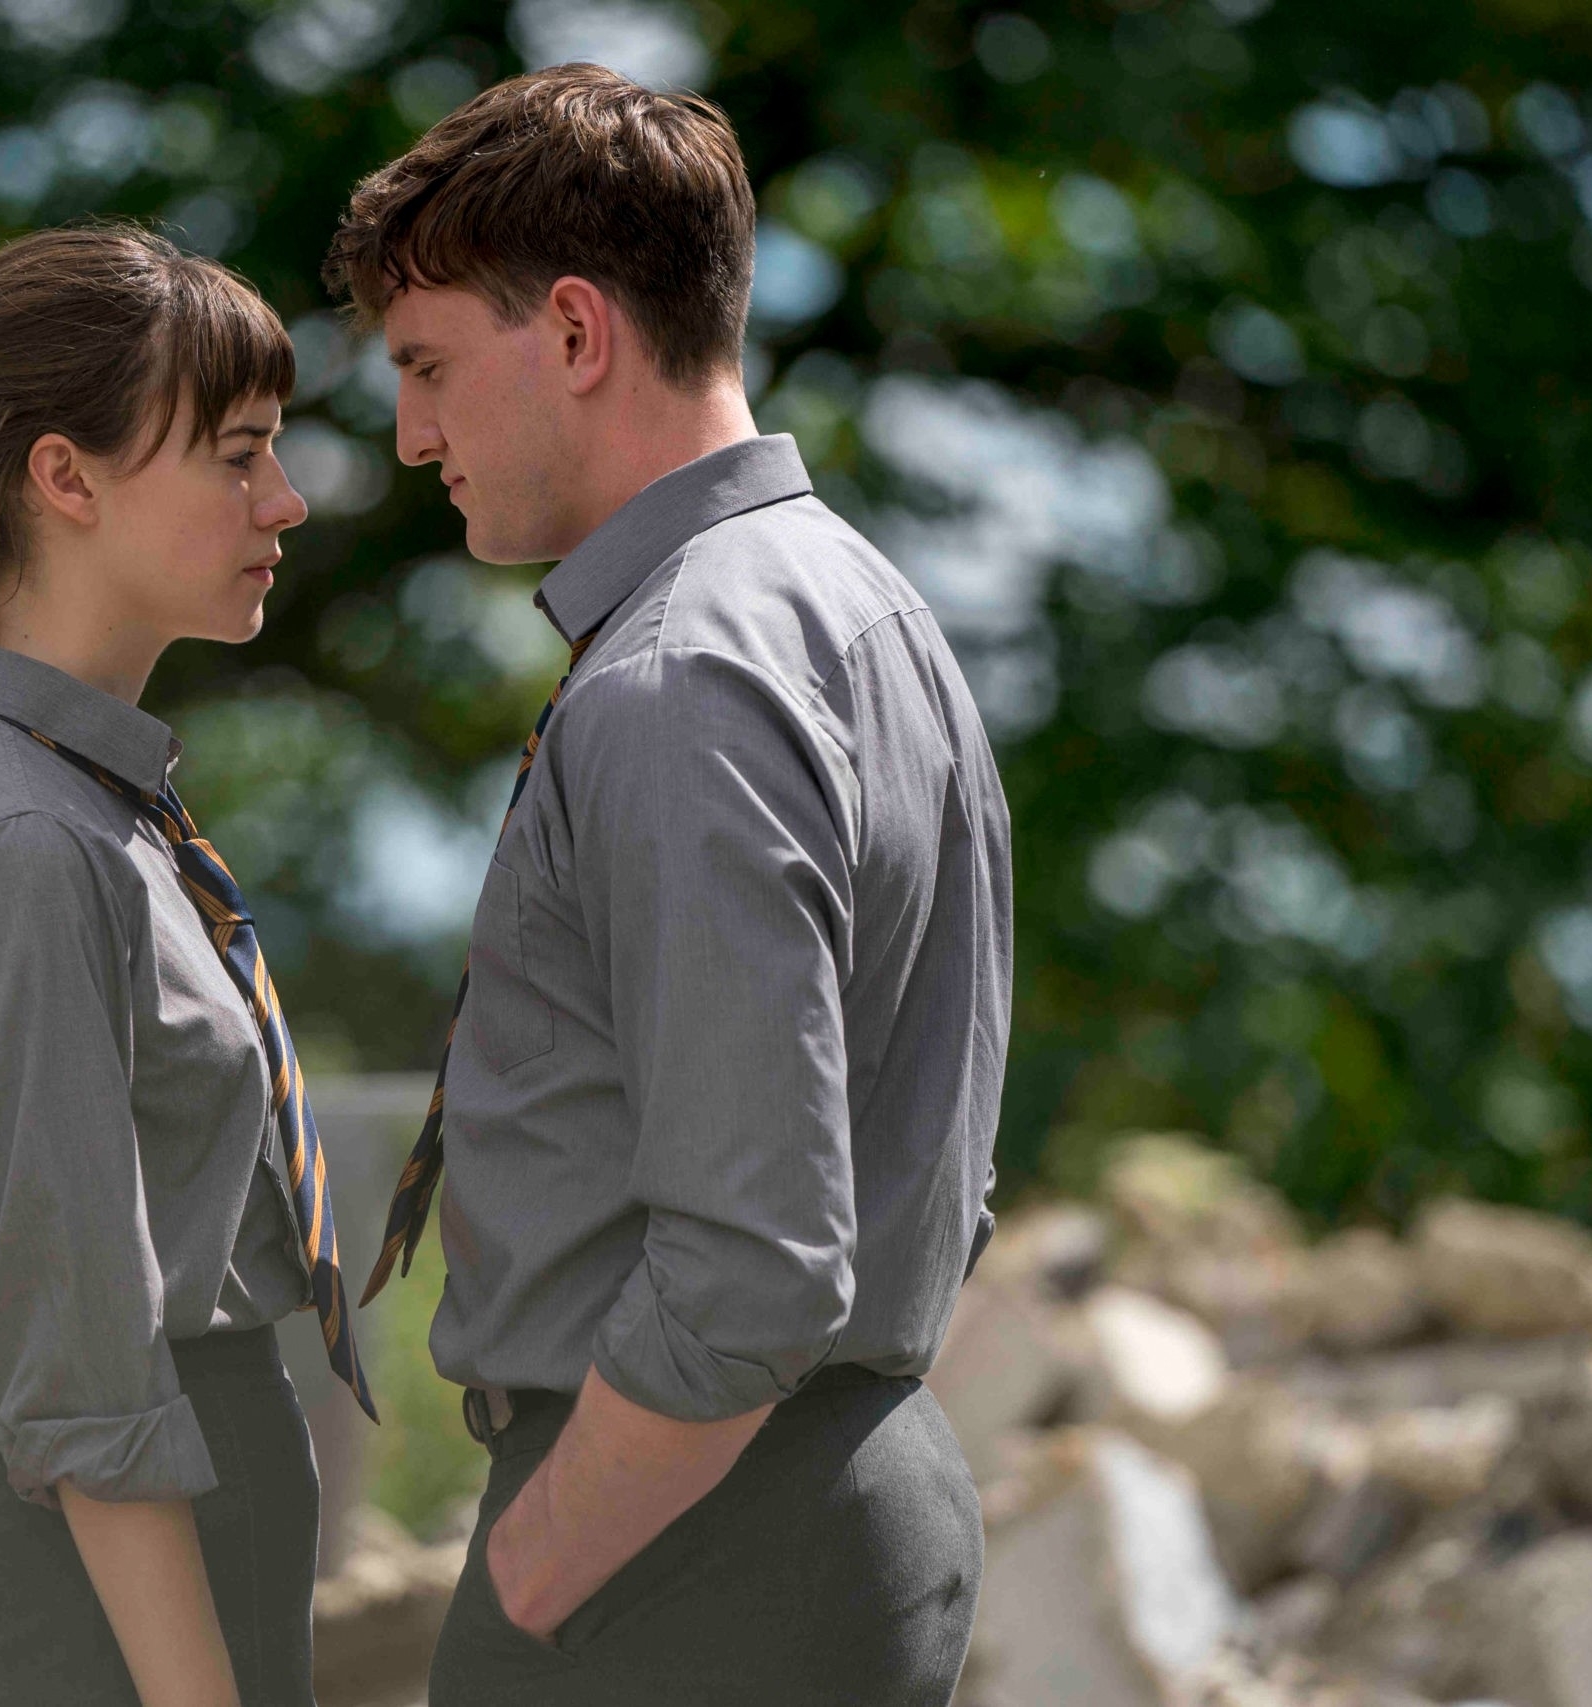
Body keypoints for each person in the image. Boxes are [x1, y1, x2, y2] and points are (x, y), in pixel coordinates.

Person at [327, 66, 1011, 1705]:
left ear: (575, 331)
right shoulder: (869, 614)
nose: (411, 435)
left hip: (680, 1556)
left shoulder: (680, 677)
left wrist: (540, 1566)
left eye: (427, 366)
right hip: (802, 1502)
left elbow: (753, 1261)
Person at [0, 224, 373, 1707]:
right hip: (85, 1606)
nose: (287, 499)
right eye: (239, 454)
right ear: (64, 479)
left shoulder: (81, 813)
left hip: (126, 1566)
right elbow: (81, 1369)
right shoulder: (28, 841)